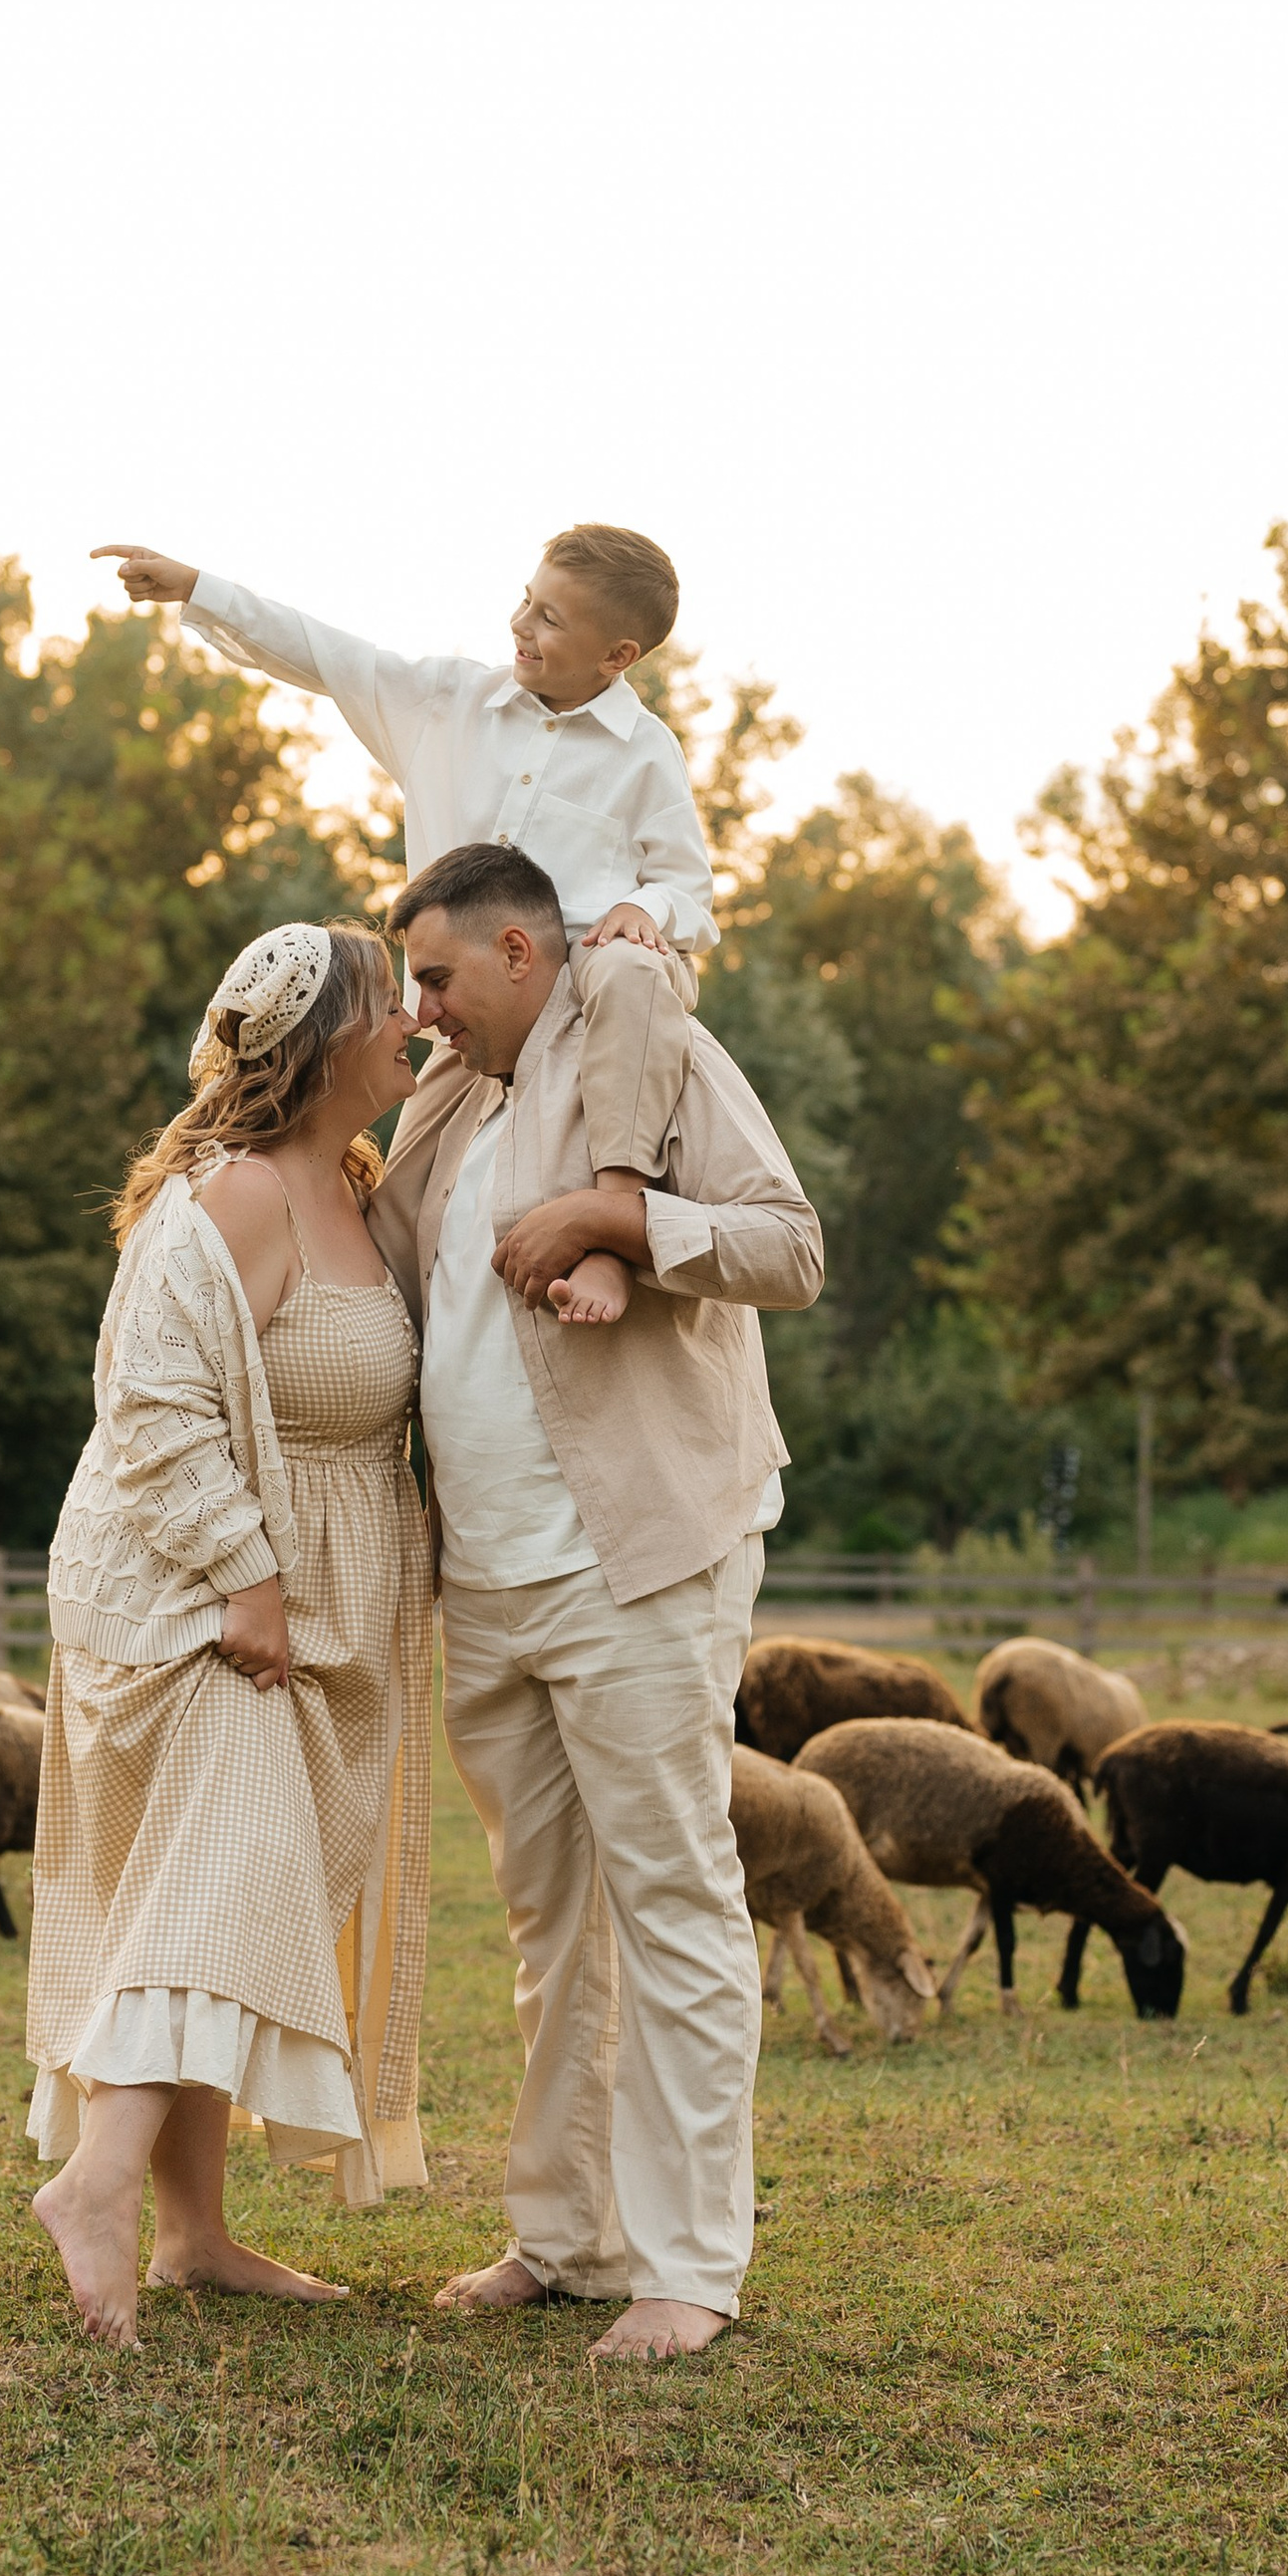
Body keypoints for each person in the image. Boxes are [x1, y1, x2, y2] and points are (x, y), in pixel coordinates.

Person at [368, 840, 825, 2366]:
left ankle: (690, 2265)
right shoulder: (449, 1101)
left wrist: (625, 1225)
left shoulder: (653, 1041)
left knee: (674, 1900)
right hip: (486, 1580)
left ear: (517, 951)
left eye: (435, 976)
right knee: (548, 1920)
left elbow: (789, 1246)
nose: (419, 1011)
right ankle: (564, 2236)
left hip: (636, 1560)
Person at [24, 921, 434, 2348]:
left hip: (316, 1613)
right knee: (218, 1885)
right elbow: (151, 1405)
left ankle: (195, 2235)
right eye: (395, 1004)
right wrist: (244, 1579)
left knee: (236, 1897)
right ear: (323, 1043)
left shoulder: (360, 1189)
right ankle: (97, 2187)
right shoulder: (239, 1197)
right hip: (196, 1605)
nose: (417, 1022)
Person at [94, 528, 706, 1329]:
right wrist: (197, 587)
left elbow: (688, 888)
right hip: (472, 1013)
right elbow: (327, 653)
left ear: (616, 656)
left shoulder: (647, 753)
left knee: (633, 969)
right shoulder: (449, 703)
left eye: (551, 619)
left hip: (589, 983)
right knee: (396, 1205)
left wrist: (646, 909)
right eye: (527, 599)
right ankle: (380, 1373)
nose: (522, 624)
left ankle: (613, 1217)